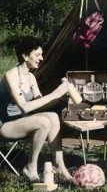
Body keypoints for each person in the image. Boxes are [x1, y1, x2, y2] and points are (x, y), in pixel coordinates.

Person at [0, 36, 73, 182]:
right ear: (25, 56)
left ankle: (60, 165)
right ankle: (30, 167)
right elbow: (25, 108)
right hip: (4, 126)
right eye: (37, 55)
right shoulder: (11, 76)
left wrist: (59, 97)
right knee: (43, 122)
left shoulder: (31, 78)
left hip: (20, 122)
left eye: (41, 54)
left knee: (52, 116)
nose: (41, 58)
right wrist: (54, 94)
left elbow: (40, 104)